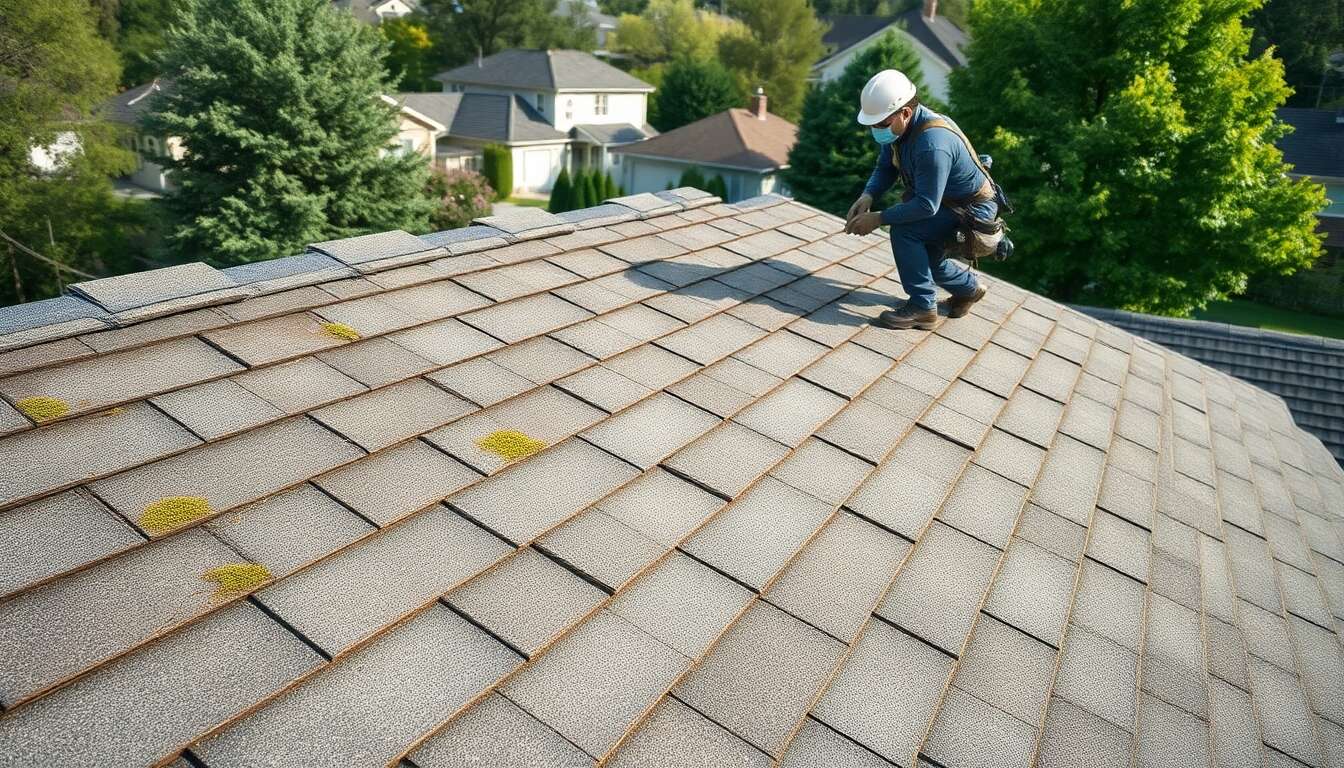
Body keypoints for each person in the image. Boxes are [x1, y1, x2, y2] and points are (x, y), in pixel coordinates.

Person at [844, 69, 994, 330]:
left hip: (970, 209)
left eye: (881, 124)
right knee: (929, 258)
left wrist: (879, 218)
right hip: (948, 202)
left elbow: (926, 205)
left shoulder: (932, 144)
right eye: (872, 125)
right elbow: (886, 167)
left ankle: (922, 308)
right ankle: (969, 290)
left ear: (905, 112)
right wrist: (868, 195)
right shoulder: (899, 130)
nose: (876, 130)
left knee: (905, 231)